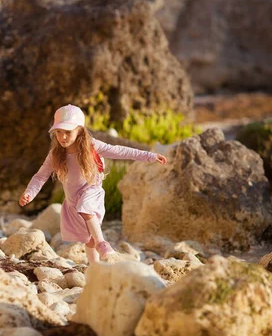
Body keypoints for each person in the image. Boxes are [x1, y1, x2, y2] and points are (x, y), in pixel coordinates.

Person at [19, 104, 167, 263]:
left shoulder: (92, 146)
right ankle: (94, 266)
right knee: (87, 239)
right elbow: (41, 176)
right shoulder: (56, 153)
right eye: (58, 132)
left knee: (86, 208)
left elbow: (120, 151)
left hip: (91, 191)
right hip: (72, 200)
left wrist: (150, 156)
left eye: (68, 132)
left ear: (80, 130)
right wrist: (29, 193)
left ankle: (103, 244)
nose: (62, 137)